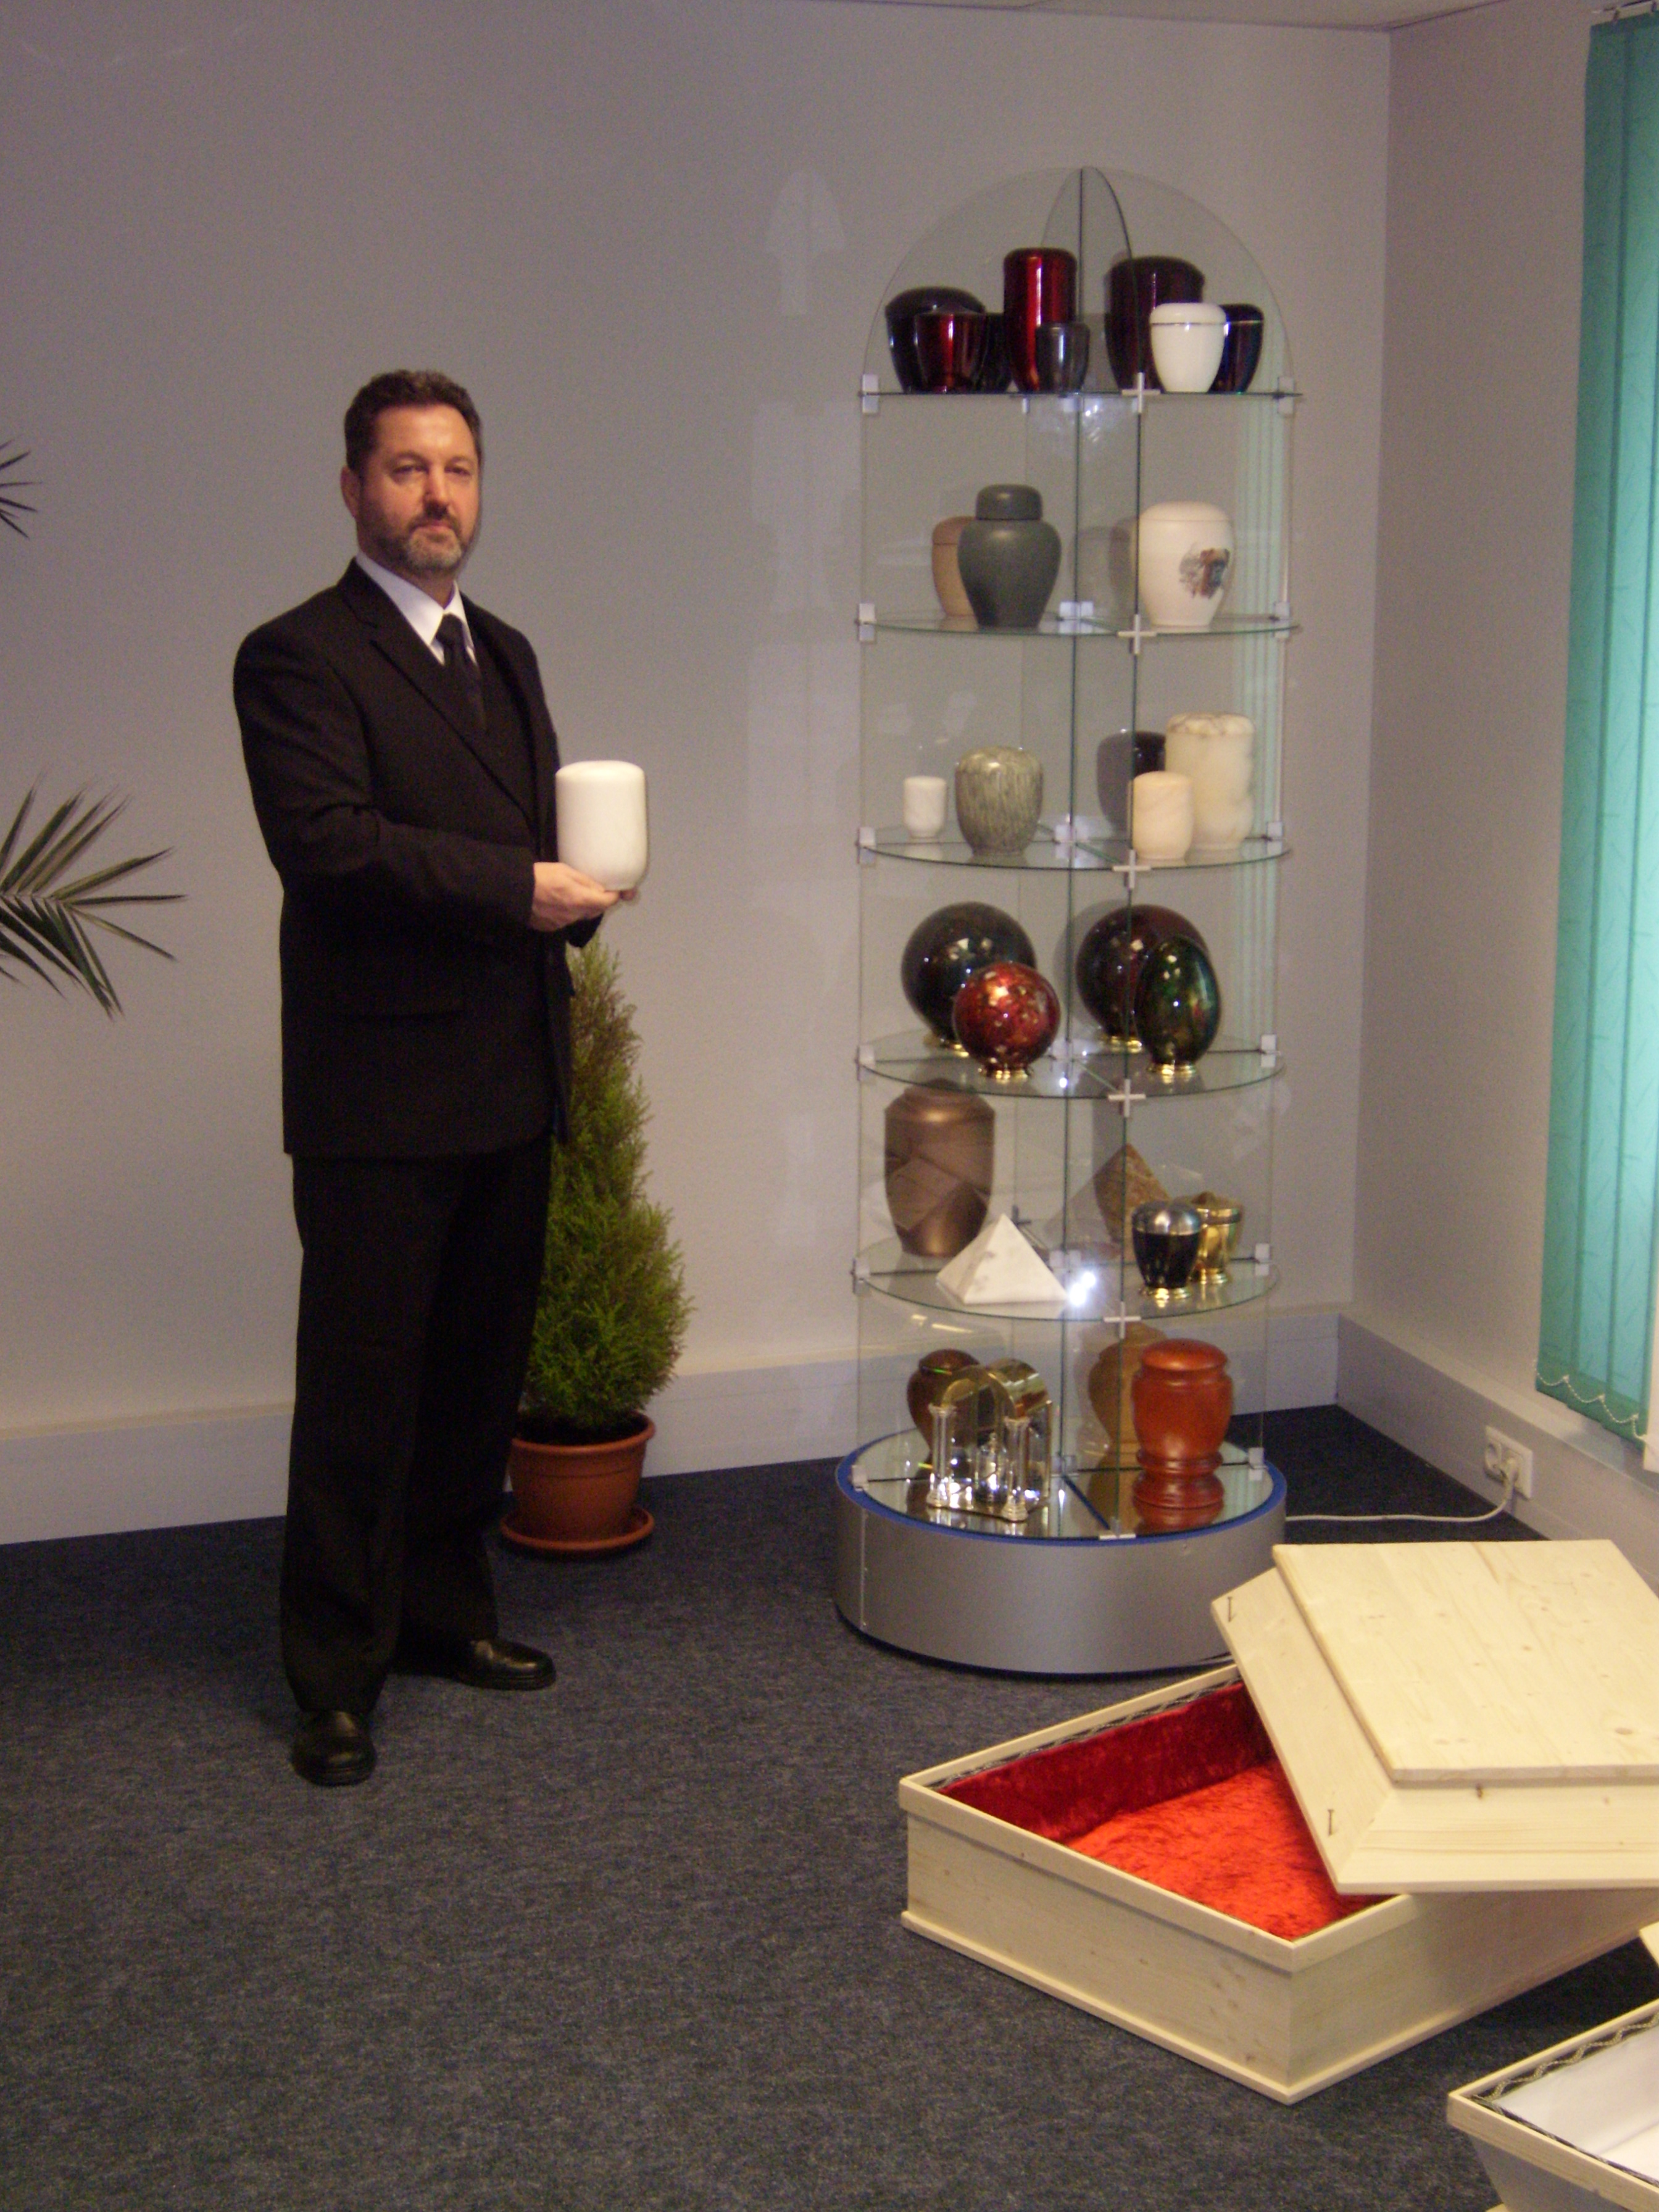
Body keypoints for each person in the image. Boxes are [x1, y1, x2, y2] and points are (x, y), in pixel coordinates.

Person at [235, 370, 625, 1787]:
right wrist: (523, 887)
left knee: (473, 1378)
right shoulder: (296, 657)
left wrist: (585, 889)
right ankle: (335, 1672)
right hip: (379, 1096)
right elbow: (332, 848)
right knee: (362, 1392)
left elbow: (535, 834)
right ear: (354, 489)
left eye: (457, 468)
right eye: (406, 469)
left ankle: (445, 1614)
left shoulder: (504, 651)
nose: (437, 495)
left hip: (510, 1075)